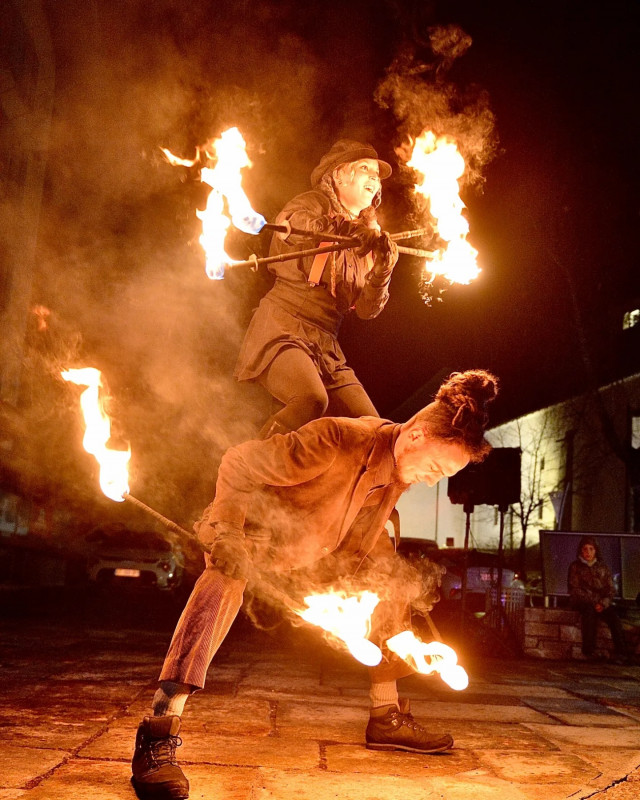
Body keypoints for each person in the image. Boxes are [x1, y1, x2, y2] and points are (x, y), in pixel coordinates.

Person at [130, 369, 498, 800]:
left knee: (390, 585)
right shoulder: (338, 438)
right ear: (415, 435)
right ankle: (158, 731)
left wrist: (400, 598)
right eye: (436, 467)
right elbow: (239, 462)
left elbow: (366, 534)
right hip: (252, 535)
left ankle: (386, 717)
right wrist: (228, 533)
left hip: (314, 552)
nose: (433, 480)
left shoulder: (399, 469)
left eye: (443, 475)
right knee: (221, 586)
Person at [234, 139, 399, 439]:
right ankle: (250, 467)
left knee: (377, 432)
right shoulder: (309, 205)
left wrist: (383, 268)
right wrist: (348, 230)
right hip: (284, 326)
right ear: (338, 175)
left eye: (376, 174)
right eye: (365, 169)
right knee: (311, 399)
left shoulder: (371, 238)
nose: (375, 179)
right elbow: (299, 230)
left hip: (326, 346)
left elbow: (366, 310)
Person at [568, 535, 627, 662]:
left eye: (591, 549)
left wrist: (603, 603)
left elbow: (610, 589)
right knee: (589, 614)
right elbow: (575, 589)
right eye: (585, 549)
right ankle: (589, 650)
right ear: (581, 551)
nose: (588, 552)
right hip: (584, 602)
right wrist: (594, 602)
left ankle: (622, 652)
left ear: (595, 551)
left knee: (614, 618)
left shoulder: (603, 568)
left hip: (601, 603)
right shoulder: (575, 567)